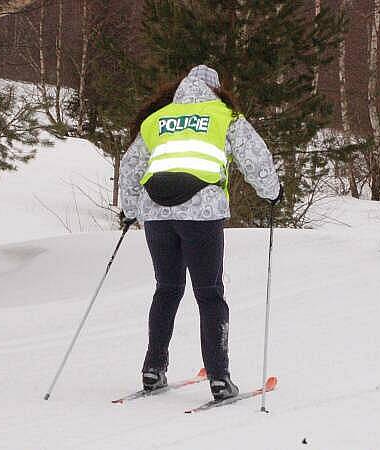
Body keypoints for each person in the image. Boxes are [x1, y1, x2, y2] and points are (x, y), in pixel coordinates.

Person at [119, 65, 281, 401]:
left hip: (156, 213)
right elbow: (255, 155)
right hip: (202, 212)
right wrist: (271, 192)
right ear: (215, 89)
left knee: (167, 289)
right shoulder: (222, 114)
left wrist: (130, 209)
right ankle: (220, 378)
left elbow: (131, 165)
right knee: (209, 294)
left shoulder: (157, 118)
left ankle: (153, 369)